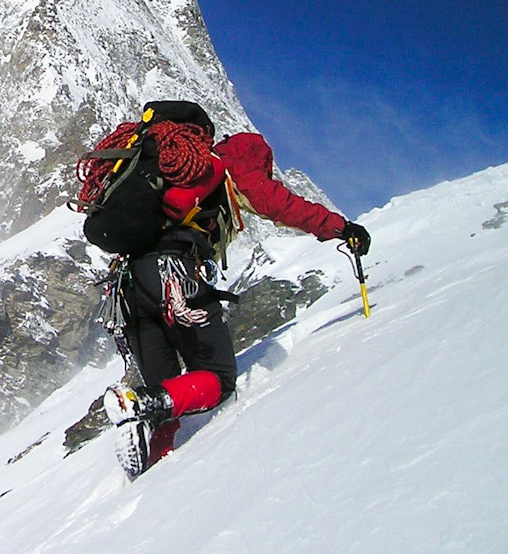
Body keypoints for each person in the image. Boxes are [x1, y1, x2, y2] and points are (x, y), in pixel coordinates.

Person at [99, 111, 371, 478]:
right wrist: (341, 228)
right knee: (218, 377)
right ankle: (138, 404)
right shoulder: (228, 165)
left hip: (127, 288)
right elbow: (279, 204)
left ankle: (154, 469)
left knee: (167, 391)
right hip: (172, 275)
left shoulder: (163, 174)